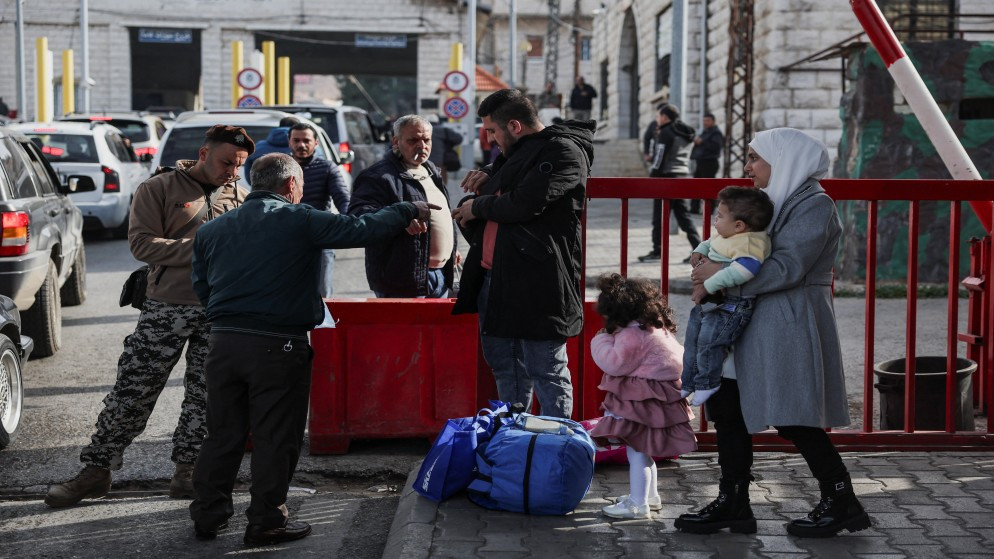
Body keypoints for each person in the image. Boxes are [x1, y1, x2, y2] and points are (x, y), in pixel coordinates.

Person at [188, 152, 439, 546]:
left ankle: (208, 515)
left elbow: (202, 287)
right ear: (290, 184)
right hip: (277, 344)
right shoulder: (298, 218)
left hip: (223, 343)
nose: (302, 189)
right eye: (300, 183)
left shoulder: (212, 229)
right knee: (275, 436)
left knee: (223, 433)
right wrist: (407, 208)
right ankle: (267, 521)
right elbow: (359, 228)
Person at [675, 128, 872, 538]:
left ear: (782, 160)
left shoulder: (814, 204)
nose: (747, 167)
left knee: (793, 415)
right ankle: (733, 502)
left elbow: (787, 268)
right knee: (727, 409)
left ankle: (841, 499)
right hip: (747, 319)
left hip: (788, 318)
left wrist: (721, 278)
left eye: (754, 157)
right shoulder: (775, 200)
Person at [44, 125, 254, 508]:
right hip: (166, 307)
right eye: (227, 163)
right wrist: (209, 249)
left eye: (239, 165)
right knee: (132, 391)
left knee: (206, 397)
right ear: (204, 154)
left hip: (219, 309)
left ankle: (188, 472)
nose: (232, 172)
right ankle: (97, 470)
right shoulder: (158, 188)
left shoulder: (240, 195)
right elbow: (143, 244)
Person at [451, 89, 594, 419]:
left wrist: (479, 206)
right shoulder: (514, 154)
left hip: (537, 283)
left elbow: (525, 203)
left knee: (547, 370)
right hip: (495, 278)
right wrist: (489, 173)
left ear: (514, 126)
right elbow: (511, 170)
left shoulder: (564, 151)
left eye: (492, 131)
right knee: (505, 368)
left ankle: (556, 450)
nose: (489, 139)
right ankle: (515, 446)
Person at [588, 273, 697, 520]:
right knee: (643, 450)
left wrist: (601, 340)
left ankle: (637, 504)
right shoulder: (655, 326)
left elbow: (613, 363)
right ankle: (650, 497)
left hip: (641, 400)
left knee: (636, 451)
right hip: (659, 397)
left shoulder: (632, 334)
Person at [680, 186, 773, 407]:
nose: (715, 219)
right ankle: (688, 381)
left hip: (732, 305)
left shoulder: (750, 243)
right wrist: (699, 250)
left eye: (720, 216)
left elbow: (745, 270)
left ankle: (707, 383)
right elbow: (713, 241)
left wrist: (708, 285)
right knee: (692, 338)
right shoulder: (730, 233)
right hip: (712, 301)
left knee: (710, 342)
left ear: (739, 225)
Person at [349, 115, 457, 298]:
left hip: (439, 276)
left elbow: (442, 213)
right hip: (402, 280)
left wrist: (451, 249)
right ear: (396, 141)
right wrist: (399, 219)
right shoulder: (378, 176)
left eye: (426, 140)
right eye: (413, 140)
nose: (422, 146)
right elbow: (358, 217)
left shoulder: (431, 170)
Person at [288, 122, 350, 298]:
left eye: (306, 140)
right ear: (289, 142)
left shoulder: (327, 168)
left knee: (322, 296)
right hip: (286, 239)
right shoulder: (280, 167)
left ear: (316, 143)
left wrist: (353, 221)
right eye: (296, 140)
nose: (301, 145)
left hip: (321, 239)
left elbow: (343, 198)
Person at [639, 104, 698, 263]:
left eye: (659, 116)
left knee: (659, 216)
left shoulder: (666, 132)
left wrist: (653, 176)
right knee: (683, 216)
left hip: (666, 177)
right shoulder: (686, 131)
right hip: (682, 175)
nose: (657, 119)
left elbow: (659, 156)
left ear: (665, 117)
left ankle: (657, 250)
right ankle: (698, 246)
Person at [245, 115, 300, 183]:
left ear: (279, 126)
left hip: (261, 190)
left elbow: (249, 174)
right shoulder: (304, 147)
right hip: (293, 190)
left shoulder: (259, 146)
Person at [690, 113, 724, 213]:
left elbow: (715, 147)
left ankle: (709, 210)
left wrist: (702, 142)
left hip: (710, 163)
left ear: (713, 121)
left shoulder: (716, 133)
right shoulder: (705, 133)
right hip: (701, 163)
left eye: (708, 120)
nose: (705, 123)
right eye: (704, 120)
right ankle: (694, 209)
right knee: (696, 186)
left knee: (708, 187)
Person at [427, 119, 464, 184]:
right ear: (437, 122)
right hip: (440, 160)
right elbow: (459, 138)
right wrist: (450, 144)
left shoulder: (422, 130)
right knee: (441, 177)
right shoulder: (443, 130)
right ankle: (443, 191)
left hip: (425, 160)